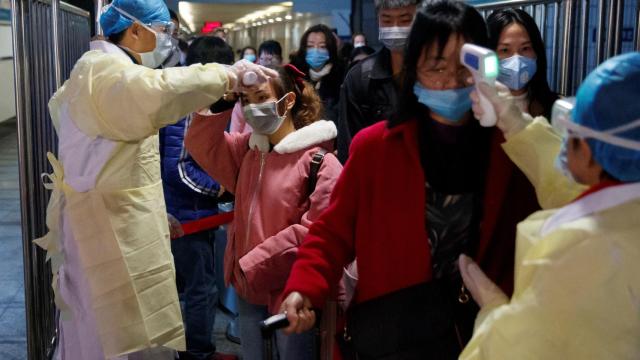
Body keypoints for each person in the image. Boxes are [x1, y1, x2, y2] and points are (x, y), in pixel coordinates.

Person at [279, 1, 545, 358]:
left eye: (465, 66)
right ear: (414, 69)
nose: (452, 80)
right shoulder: (376, 148)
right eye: (436, 66)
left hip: (482, 337)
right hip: (396, 333)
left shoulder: (510, 148)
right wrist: (304, 288)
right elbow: (333, 231)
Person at [38, 0, 276, 357]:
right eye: (165, 32)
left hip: (115, 221)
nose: (168, 41)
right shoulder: (105, 73)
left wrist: (153, 214)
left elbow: (114, 167)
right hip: (105, 236)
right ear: (135, 30)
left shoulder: (109, 72)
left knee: (121, 332)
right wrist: (227, 75)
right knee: (113, 337)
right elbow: (161, 90)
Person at [458, 52, 640, 359]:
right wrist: (515, 121)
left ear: (593, 151)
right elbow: (574, 190)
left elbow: (515, 350)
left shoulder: (577, 251)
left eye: (572, 133)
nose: (564, 143)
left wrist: (494, 312)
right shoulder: (625, 204)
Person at [185, 64, 342, 360]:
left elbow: (318, 232)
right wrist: (227, 98)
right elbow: (200, 143)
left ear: (289, 101)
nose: (253, 108)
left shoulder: (320, 162)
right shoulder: (248, 151)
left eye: (261, 98)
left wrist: (254, 263)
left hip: (293, 291)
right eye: (246, 101)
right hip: (249, 289)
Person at [159, 35, 237, 360]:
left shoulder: (199, 103)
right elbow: (177, 169)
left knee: (198, 288)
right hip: (187, 214)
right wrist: (219, 187)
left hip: (194, 213)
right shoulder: (186, 108)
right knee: (200, 290)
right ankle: (198, 352)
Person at [336, 0, 418, 163]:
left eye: (405, 20)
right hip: (377, 177)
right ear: (378, 20)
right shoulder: (360, 77)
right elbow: (349, 148)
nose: (395, 28)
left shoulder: (434, 75)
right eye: (387, 20)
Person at [488, 8, 558, 117]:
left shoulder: (556, 109)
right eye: (505, 50)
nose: (517, 61)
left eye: (525, 48)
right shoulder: (477, 111)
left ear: (537, 52)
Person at [291, 24, 346, 124]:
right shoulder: (293, 75)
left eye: (322, 46)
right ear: (304, 49)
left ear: (330, 49)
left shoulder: (342, 76)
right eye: (310, 46)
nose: (315, 50)